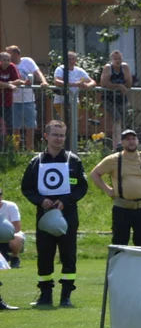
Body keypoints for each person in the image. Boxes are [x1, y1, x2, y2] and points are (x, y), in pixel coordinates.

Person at [20, 120, 89, 308]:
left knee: (68, 255)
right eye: (55, 135)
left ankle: (66, 296)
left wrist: (65, 201)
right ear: (46, 136)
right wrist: (40, 200)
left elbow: (82, 187)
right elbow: (27, 188)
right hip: (44, 215)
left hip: (68, 215)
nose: (59, 139)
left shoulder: (73, 161)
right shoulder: (36, 161)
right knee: (44, 255)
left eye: (62, 135)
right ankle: (45, 295)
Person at [88, 129, 141, 246]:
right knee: (119, 243)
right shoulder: (113, 159)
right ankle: (117, 264)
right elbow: (94, 174)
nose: (131, 142)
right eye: (128, 139)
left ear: (138, 141)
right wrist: (107, 189)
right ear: (122, 142)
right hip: (122, 209)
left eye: (133, 139)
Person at [9, 46, 47, 152]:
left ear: (15, 54)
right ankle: (15, 150)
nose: (7, 57)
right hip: (13, 100)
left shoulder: (27, 61)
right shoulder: (8, 65)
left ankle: (29, 150)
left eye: (9, 54)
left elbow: (37, 72)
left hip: (28, 100)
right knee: (15, 127)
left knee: (30, 127)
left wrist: (44, 81)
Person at [98, 50, 133, 148]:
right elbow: (104, 83)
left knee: (124, 121)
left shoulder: (125, 67)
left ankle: (123, 144)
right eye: (115, 59)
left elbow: (129, 83)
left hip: (121, 98)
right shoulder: (108, 68)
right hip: (108, 98)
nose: (118, 61)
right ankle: (117, 145)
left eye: (119, 59)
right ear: (111, 60)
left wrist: (121, 86)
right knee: (117, 118)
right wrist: (119, 86)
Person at [52, 52, 96, 127]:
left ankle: (72, 138)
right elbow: (57, 81)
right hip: (61, 100)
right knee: (65, 121)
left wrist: (87, 86)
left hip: (74, 100)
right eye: (69, 59)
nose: (71, 61)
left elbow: (93, 82)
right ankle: (64, 137)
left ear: (76, 60)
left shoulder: (79, 70)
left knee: (73, 123)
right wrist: (73, 84)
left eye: (73, 59)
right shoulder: (60, 69)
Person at [0, 185, 24, 270]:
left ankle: (15, 258)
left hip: (9, 234)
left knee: (17, 238)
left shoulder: (11, 206)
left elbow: (17, 228)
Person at [0, 52, 19, 146]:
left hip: (7, 102)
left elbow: (19, 80)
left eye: (8, 60)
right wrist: (9, 85)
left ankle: (9, 147)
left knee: (9, 125)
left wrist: (9, 83)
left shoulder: (12, 67)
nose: (6, 62)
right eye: (4, 60)